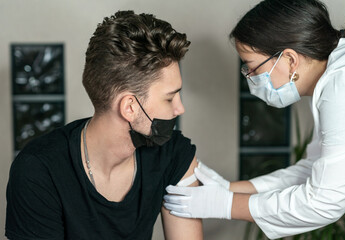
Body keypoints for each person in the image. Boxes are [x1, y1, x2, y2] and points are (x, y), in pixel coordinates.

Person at [163, 0, 345, 238]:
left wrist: (226, 204)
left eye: (252, 67)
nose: (251, 78)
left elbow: (323, 201)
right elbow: (314, 169)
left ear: (289, 59)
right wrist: (229, 189)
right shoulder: (339, 76)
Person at [5, 10, 203, 239]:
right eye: (170, 98)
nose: (180, 109)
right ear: (130, 107)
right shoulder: (39, 169)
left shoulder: (173, 153)